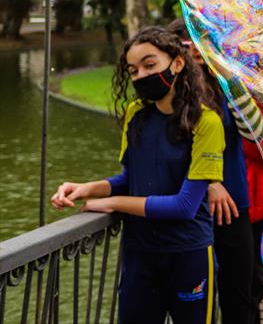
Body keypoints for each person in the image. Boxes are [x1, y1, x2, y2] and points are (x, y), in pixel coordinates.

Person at [51, 27, 224, 324]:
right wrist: (87, 188)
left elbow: (185, 206)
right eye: (133, 70)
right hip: (140, 254)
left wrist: (114, 203)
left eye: (150, 65)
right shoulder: (135, 114)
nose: (141, 76)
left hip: (188, 254)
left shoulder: (206, 122)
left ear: (177, 63)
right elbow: (130, 179)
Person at [168, 19, 256, 324]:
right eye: (187, 43)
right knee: (195, 297)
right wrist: (208, 183)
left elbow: (254, 133)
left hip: (232, 204)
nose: (194, 50)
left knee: (239, 294)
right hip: (189, 208)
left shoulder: (225, 86)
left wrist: (229, 73)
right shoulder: (171, 96)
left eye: (201, 42)